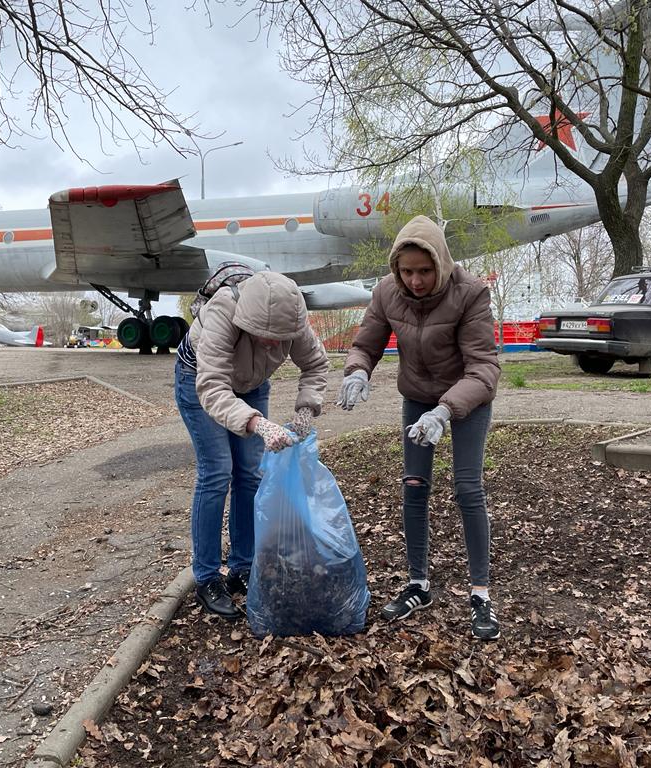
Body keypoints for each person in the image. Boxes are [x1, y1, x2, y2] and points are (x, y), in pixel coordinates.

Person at [337, 215, 502, 640]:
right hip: (417, 398)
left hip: (466, 400)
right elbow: (365, 344)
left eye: (424, 271)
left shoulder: (471, 293)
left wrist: (445, 411)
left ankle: (481, 594)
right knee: (413, 485)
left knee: (468, 488)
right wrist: (357, 372)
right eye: (406, 271)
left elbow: (484, 368)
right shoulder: (387, 292)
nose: (415, 280)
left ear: (441, 263)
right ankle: (418, 585)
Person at [175, 271, 330, 620]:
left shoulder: (294, 319)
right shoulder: (223, 312)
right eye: (267, 336)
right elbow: (212, 386)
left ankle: (243, 567)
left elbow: (316, 365)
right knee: (217, 473)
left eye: (282, 338)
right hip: (199, 379)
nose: (275, 345)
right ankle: (207, 577)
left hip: (253, 383)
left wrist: (306, 409)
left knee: (249, 475)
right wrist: (257, 423)